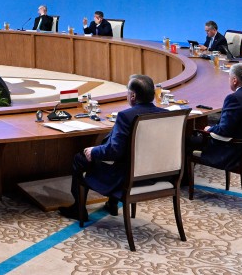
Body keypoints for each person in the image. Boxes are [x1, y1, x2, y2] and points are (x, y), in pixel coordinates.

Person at [59, 74, 164, 220]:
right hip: (156, 175)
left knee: (81, 158)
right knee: (120, 157)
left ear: (133, 96)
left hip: (126, 178)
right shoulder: (166, 115)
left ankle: (79, 209)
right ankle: (111, 203)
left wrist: (94, 151)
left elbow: (114, 151)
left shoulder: (126, 116)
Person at [187, 63, 242, 169]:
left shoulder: (233, 98)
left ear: (234, 80)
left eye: (229, 77)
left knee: (187, 141)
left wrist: (209, 129)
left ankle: (183, 179)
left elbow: (224, 130)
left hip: (236, 152)